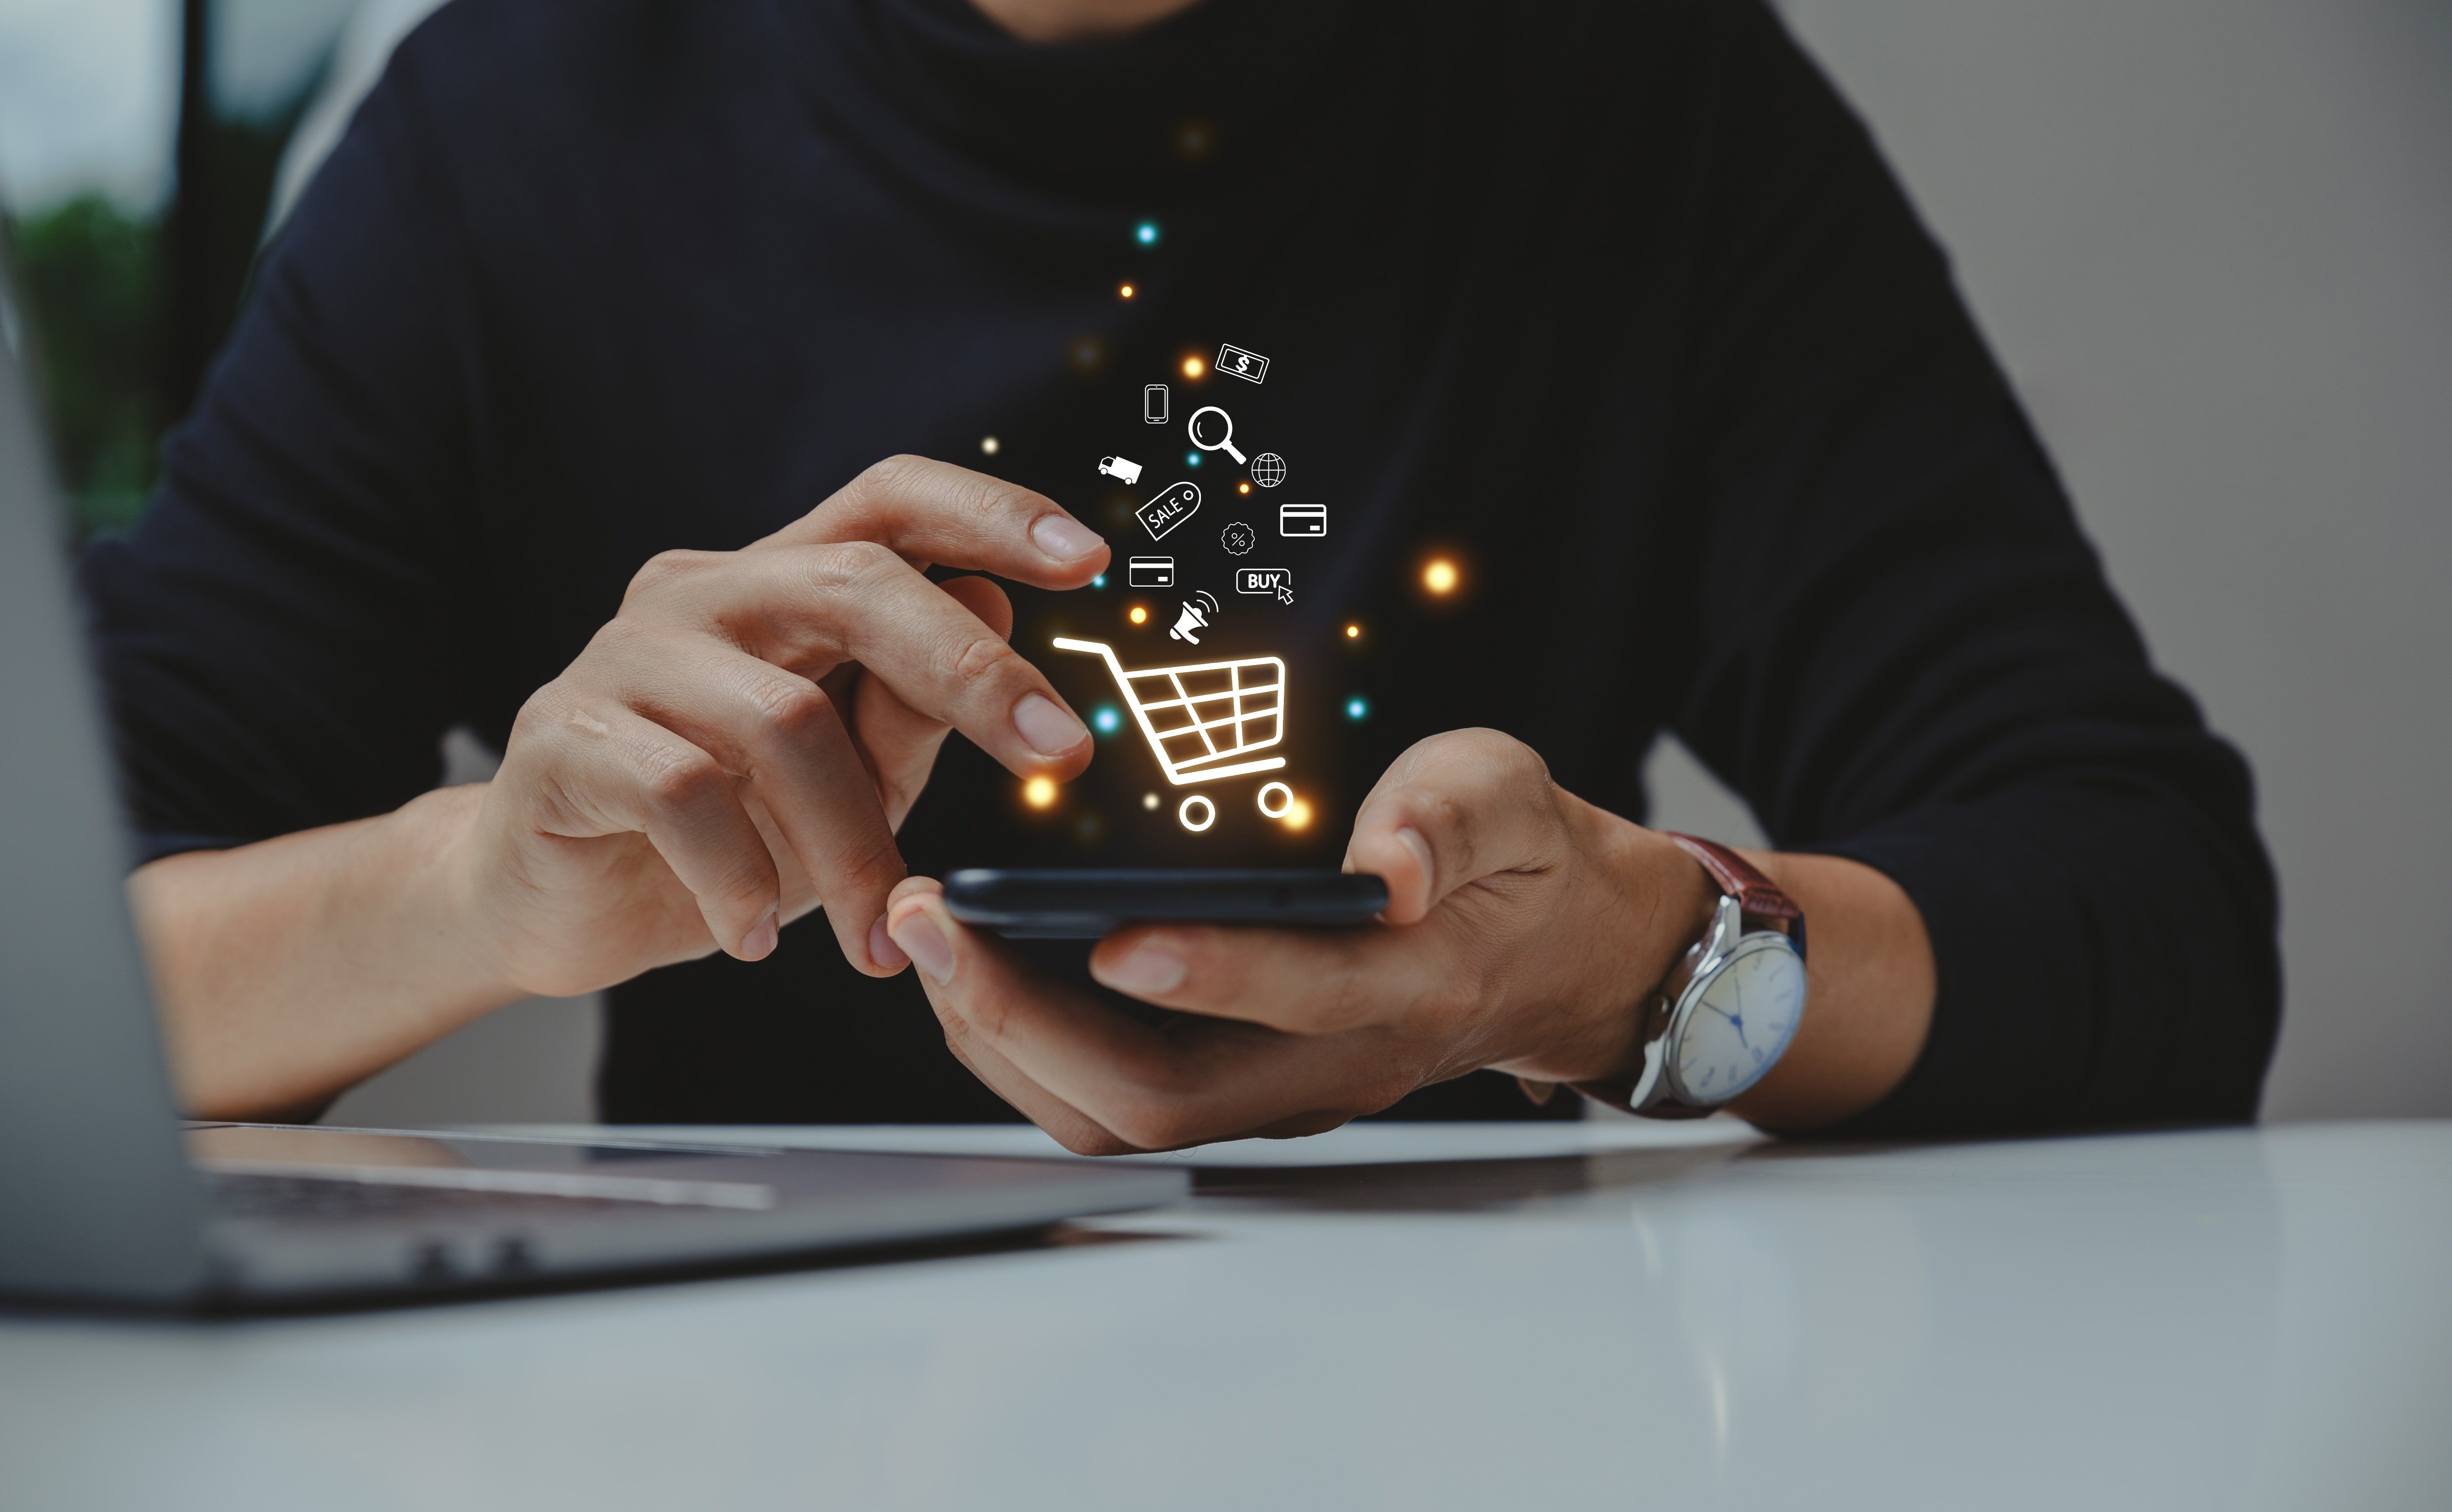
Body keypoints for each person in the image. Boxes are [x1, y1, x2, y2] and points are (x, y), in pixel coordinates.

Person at [84, 0, 2279, 1147]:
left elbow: (2145, 907)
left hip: (1498, 1419)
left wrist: (1628, 966)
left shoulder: (1627, 87)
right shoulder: (517, 127)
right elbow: (56, 984)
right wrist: (481, 892)